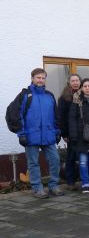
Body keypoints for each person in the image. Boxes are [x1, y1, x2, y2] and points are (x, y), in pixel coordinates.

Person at [14, 68, 64, 198]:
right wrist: (21, 133)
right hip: (31, 136)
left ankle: (53, 186)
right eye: (38, 78)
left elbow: (56, 115)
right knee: (33, 163)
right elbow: (17, 115)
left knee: (55, 159)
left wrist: (57, 131)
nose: (41, 80)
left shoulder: (49, 95)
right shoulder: (25, 95)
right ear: (32, 78)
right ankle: (37, 188)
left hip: (48, 135)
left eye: (43, 78)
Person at [58, 73, 81, 191]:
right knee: (71, 157)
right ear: (69, 83)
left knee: (82, 157)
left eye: (77, 80)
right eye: (73, 81)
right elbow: (61, 117)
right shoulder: (64, 98)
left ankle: (83, 179)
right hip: (71, 133)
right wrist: (64, 134)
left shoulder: (84, 94)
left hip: (84, 132)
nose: (76, 82)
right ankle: (70, 181)